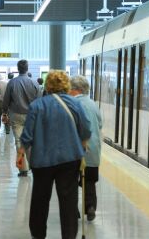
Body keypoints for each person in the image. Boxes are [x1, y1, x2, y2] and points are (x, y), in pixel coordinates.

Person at [18, 70, 91, 239]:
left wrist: (21, 153)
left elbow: (27, 134)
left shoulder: (37, 105)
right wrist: (83, 143)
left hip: (42, 161)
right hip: (70, 159)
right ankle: (69, 236)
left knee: (40, 200)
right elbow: (86, 129)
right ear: (66, 85)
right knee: (69, 202)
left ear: (48, 85)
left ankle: (38, 235)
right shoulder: (75, 104)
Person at [69, 75, 102, 221]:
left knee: (70, 181)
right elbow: (100, 124)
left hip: (74, 149)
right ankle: (90, 207)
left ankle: (73, 211)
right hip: (93, 149)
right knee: (89, 181)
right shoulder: (93, 104)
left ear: (75, 89)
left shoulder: (71, 104)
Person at [2, 60, 40, 177]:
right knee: (31, 141)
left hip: (16, 115)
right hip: (32, 116)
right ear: (27, 68)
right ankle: (34, 166)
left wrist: (4, 113)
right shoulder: (35, 83)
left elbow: (6, 100)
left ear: (18, 69)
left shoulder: (12, 83)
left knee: (19, 141)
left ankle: (23, 169)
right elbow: (39, 101)